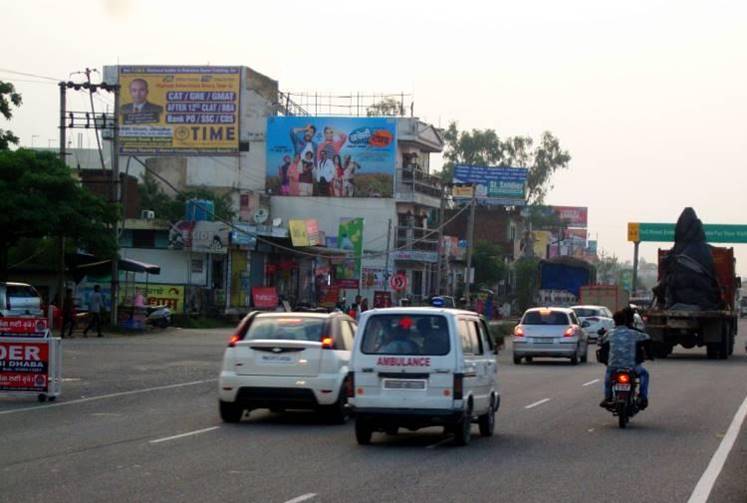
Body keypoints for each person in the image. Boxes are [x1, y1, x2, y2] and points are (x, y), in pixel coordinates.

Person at [599, 307, 652, 409]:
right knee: (644, 374)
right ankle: (643, 397)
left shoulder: (610, 333)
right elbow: (647, 338)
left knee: (608, 380)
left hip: (613, 366)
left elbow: (601, 342)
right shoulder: (633, 333)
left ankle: (608, 398)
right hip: (631, 366)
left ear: (614, 321)